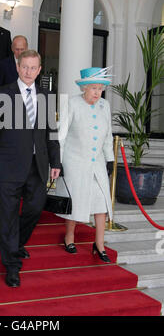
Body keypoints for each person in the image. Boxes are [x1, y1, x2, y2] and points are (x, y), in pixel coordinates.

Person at [0, 49, 61, 287]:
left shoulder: (46, 96)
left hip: (38, 166)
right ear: (18, 67)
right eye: (24, 67)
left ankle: (16, 243)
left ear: (39, 70)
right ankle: (12, 265)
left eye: (33, 68)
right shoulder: (2, 93)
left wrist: (56, 163)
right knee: (7, 217)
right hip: (8, 166)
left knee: (35, 209)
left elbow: (51, 133)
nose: (28, 72)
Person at [58, 67, 114, 262]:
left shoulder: (104, 106)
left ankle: (99, 245)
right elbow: (61, 134)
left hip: (97, 162)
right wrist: (58, 160)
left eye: (100, 88)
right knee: (76, 200)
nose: (97, 92)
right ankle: (69, 237)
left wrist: (110, 158)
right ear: (84, 88)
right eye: (93, 88)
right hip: (74, 161)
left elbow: (108, 135)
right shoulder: (72, 103)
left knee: (101, 202)